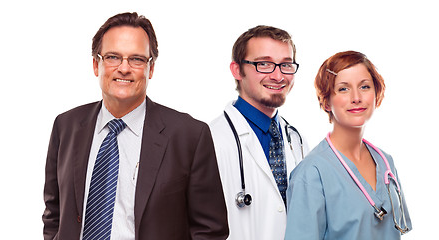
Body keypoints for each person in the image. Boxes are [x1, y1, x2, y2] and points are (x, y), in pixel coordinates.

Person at [42, 12, 228, 240]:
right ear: (95, 65)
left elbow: (210, 231)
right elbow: (54, 213)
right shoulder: (66, 125)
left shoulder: (189, 136)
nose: (124, 68)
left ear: (150, 69)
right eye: (112, 57)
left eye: (137, 59)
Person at [285, 51, 412, 239]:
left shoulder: (386, 162)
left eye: (365, 87)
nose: (356, 97)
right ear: (326, 101)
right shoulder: (311, 173)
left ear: (376, 93)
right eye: (343, 89)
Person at [209, 25, 308, 240]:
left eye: (286, 65)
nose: (278, 75)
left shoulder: (296, 140)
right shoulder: (210, 141)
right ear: (237, 70)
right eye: (264, 64)